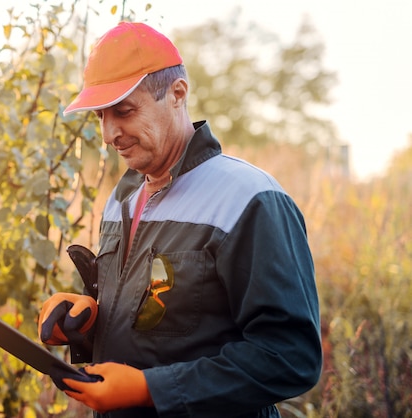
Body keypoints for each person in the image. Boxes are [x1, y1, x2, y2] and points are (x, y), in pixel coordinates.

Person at [38, 21, 322, 418]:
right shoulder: (122, 196)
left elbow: (289, 357)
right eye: (101, 115)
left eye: (124, 111)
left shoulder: (250, 199)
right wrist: (86, 319)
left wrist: (149, 389)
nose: (108, 134)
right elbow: (157, 316)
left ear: (177, 94)